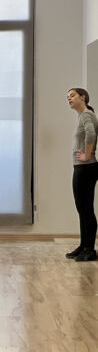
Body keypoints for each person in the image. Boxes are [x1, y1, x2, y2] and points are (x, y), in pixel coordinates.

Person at [66, 88, 98, 261]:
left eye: (72, 95)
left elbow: (92, 134)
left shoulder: (86, 115)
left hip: (86, 168)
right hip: (83, 168)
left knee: (86, 209)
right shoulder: (83, 115)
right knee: (82, 209)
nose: (69, 99)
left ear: (83, 97)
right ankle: (84, 245)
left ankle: (90, 250)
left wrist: (86, 154)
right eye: (67, 97)